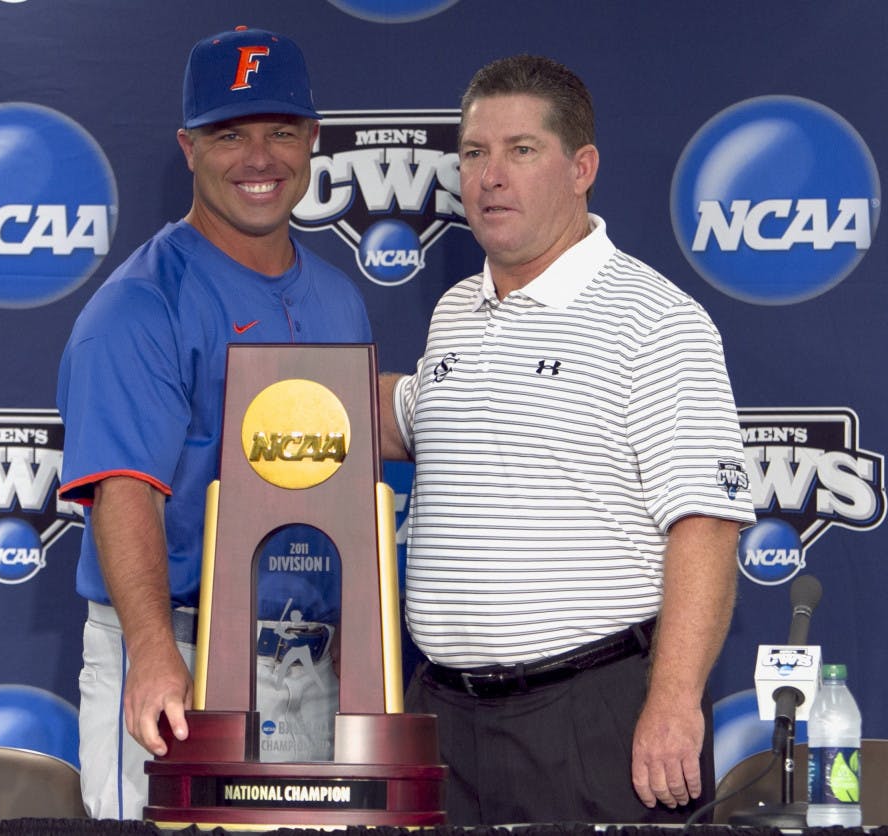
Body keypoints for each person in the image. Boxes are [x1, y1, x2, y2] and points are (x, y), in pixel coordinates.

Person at [379, 54, 756, 825]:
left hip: (593, 720)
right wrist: (264, 384)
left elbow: (706, 527)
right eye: (474, 153)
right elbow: (414, 418)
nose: (490, 177)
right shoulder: (455, 309)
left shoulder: (657, 322)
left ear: (581, 166)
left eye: (521, 151)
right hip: (442, 721)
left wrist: (675, 702)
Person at [57, 26, 371, 819]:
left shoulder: (338, 298)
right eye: (229, 134)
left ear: (313, 141)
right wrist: (156, 658)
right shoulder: (141, 304)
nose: (258, 158)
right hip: (186, 650)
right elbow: (125, 488)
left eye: (279, 131)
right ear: (188, 148)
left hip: (314, 659)